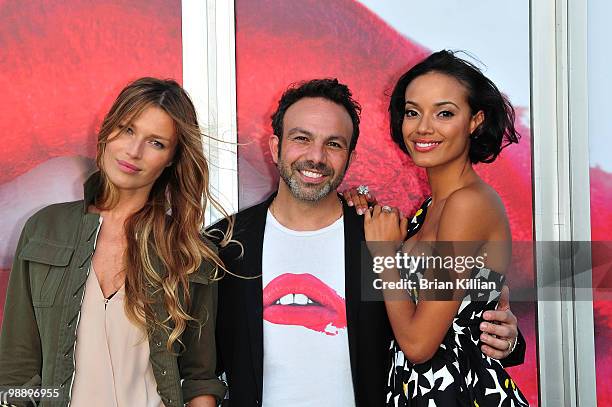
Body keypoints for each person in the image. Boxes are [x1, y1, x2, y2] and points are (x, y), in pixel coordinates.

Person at [210, 78, 524, 406]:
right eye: (302, 138)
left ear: (350, 157)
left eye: (333, 144)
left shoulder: (380, 238)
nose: (316, 156)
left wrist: (506, 338)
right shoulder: (225, 245)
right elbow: (198, 363)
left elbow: (436, 324)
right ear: (275, 146)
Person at [0, 77, 230, 407]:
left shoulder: (188, 252)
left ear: (171, 159)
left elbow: (198, 378)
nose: (133, 151)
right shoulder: (44, 229)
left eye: (156, 143)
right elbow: (16, 372)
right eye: (127, 130)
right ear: (108, 130)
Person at [361, 50, 529, 405]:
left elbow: (420, 345)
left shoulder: (468, 204)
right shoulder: (428, 211)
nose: (423, 127)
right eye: (412, 111)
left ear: (474, 121)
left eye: (444, 113)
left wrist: (384, 257)